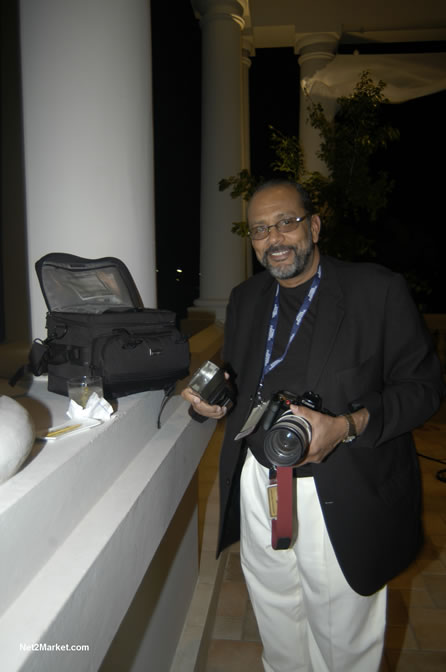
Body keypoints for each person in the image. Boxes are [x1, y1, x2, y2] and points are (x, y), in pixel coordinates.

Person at [182, 179, 444, 672]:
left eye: (287, 222)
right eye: (260, 229)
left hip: (340, 486)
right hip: (260, 482)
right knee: (276, 615)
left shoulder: (376, 290)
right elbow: (243, 379)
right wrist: (210, 402)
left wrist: (346, 425)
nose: (275, 238)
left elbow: (424, 388)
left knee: (343, 637)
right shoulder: (245, 298)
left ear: (314, 226)